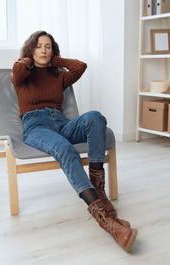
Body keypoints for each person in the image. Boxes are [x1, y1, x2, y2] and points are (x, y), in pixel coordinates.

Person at [11, 30, 137, 252]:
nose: (43, 50)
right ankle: (106, 220)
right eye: (38, 46)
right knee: (65, 148)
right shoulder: (22, 74)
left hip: (61, 122)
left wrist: (54, 60)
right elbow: (19, 69)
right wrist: (33, 59)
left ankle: (98, 189)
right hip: (36, 125)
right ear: (31, 49)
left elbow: (81, 66)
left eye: (48, 46)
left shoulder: (59, 75)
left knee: (95, 118)